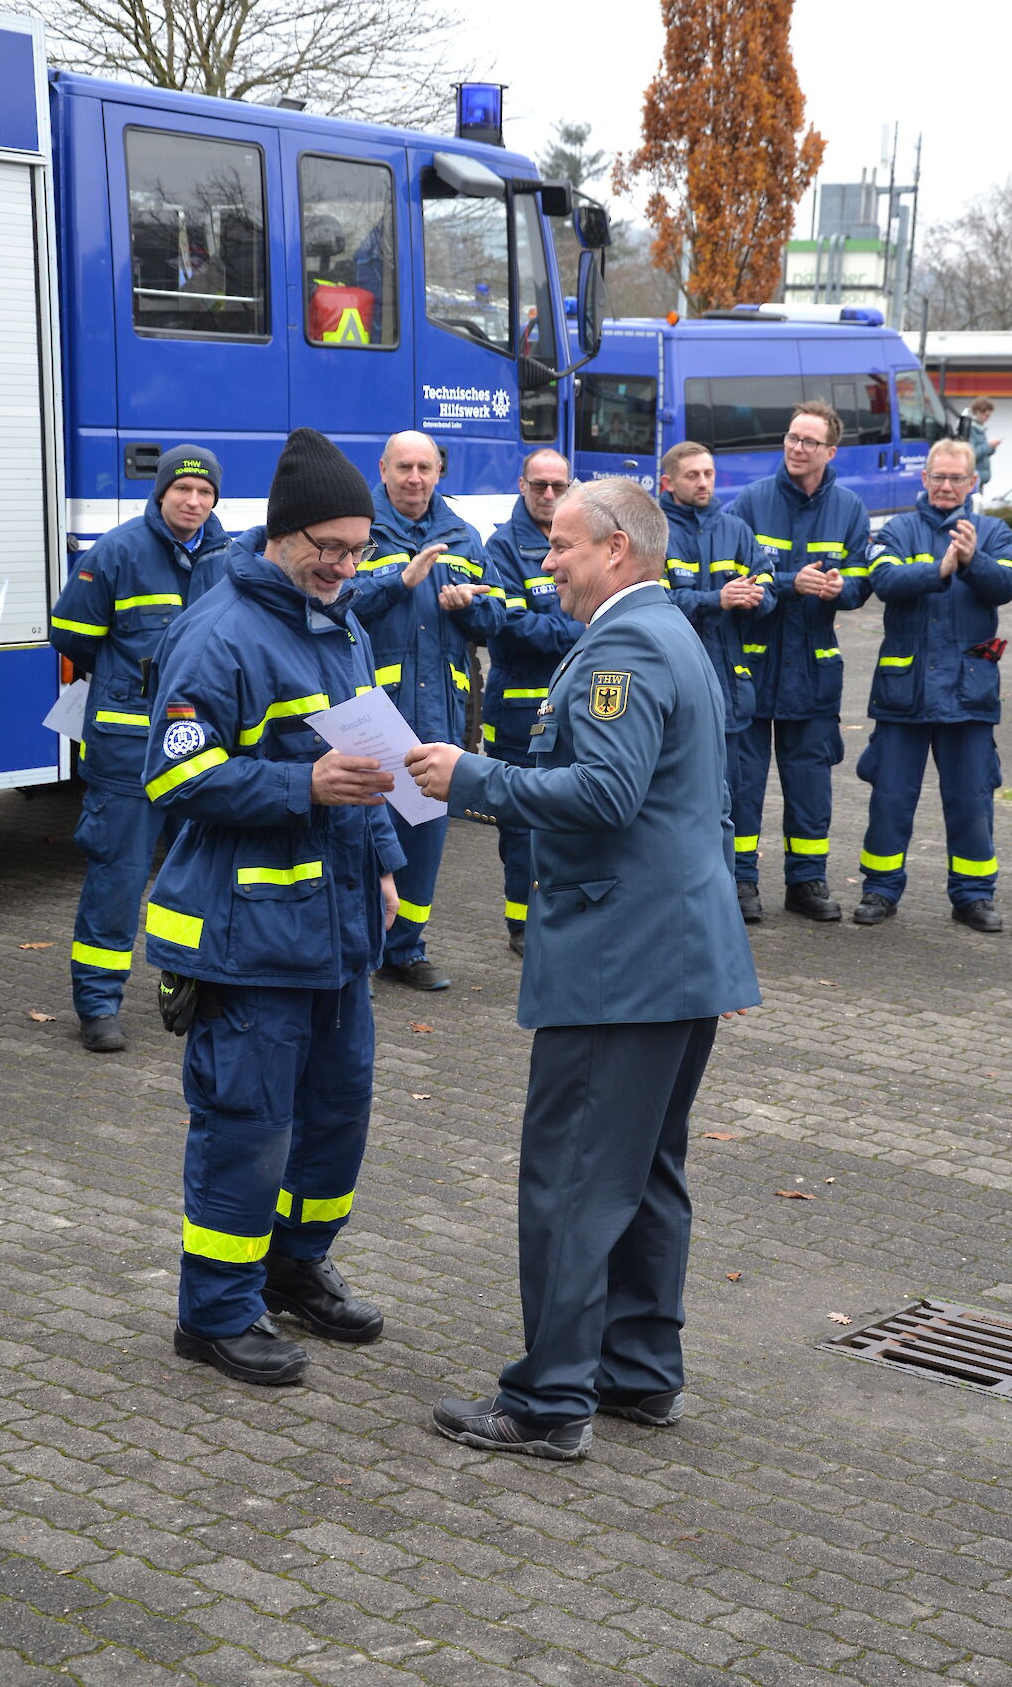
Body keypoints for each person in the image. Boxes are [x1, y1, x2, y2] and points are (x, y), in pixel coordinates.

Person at [405, 478, 760, 1460]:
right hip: (668, 955)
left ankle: (550, 1401)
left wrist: (468, 777)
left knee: (572, 1180)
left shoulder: (631, 642)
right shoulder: (665, 634)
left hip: (623, 965)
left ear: (616, 550)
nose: (545, 560)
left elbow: (604, 794)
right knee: (643, 1174)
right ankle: (639, 1375)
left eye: (561, 544)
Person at [143, 427, 404, 1386]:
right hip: (246, 939)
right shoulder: (218, 633)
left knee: (336, 1113)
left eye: (356, 549)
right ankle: (213, 1312)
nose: (340, 566)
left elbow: (366, 759)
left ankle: (294, 1268)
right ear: (280, 534)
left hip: (335, 930)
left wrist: (380, 861)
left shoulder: (342, 622)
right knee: (247, 1127)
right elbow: (172, 780)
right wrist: (302, 789)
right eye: (324, 548)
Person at [49, 446, 229, 1053]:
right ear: (161, 493)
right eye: (183, 490)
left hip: (200, 747)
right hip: (127, 745)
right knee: (117, 875)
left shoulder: (228, 557)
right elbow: (71, 633)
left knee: (198, 873)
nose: (194, 502)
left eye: (205, 494)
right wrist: (132, 683)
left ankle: (191, 984)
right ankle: (98, 1003)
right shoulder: (119, 550)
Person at [353, 430, 505, 989]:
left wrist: (469, 608)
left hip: (439, 710)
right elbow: (334, 600)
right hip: (373, 714)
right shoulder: (360, 529)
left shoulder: (462, 534)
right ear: (383, 469)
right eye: (404, 468)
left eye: (425, 467)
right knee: (365, 833)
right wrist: (400, 580)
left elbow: (497, 619)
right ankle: (362, 950)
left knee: (424, 836)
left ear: (439, 472)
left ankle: (406, 950)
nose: (414, 478)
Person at [852, 438, 1012, 932]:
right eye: (938, 476)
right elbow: (884, 580)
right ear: (923, 479)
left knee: (972, 800)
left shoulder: (991, 532)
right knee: (890, 798)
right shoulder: (898, 529)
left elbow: (1010, 585)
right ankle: (880, 889)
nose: (947, 486)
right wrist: (940, 569)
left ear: (973, 483)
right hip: (903, 693)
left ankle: (973, 896)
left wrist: (972, 561)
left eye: (957, 478)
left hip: (970, 694)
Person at [729, 401, 872, 922]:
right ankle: (741, 883)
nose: (796, 447)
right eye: (791, 438)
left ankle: (806, 883)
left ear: (830, 451)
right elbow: (733, 573)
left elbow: (863, 579)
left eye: (808, 442)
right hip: (753, 668)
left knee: (811, 787)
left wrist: (840, 587)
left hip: (813, 674)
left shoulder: (850, 509)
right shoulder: (751, 501)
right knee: (742, 785)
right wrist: (791, 583)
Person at [482, 447, 582, 955]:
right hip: (519, 712)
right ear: (522, 486)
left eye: (557, 486)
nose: (548, 494)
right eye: (539, 485)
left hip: (571, 711)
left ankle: (557, 914)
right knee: (520, 826)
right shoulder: (502, 546)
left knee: (567, 815)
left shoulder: (578, 538)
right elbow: (512, 627)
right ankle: (521, 925)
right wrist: (583, 628)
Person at [659, 440, 775, 821]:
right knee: (682, 799)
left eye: (708, 474)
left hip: (729, 690)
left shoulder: (735, 530)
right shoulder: (654, 533)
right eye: (692, 475)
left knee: (733, 797)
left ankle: (739, 879)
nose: (704, 482)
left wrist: (756, 598)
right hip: (674, 685)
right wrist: (715, 600)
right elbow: (652, 605)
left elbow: (769, 586)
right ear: (668, 483)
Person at [963, 397, 1001, 489]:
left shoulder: (979, 428)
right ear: (977, 412)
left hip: (978, 479)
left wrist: (992, 447)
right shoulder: (969, 429)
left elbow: (983, 451)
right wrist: (989, 446)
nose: (987, 419)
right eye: (986, 415)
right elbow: (971, 454)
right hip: (972, 480)